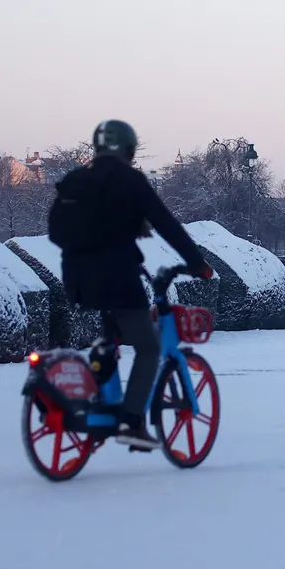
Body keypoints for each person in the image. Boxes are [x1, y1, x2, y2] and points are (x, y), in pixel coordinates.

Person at [48, 119, 213, 450]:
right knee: (149, 348)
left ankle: (103, 396)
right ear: (129, 149)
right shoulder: (130, 180)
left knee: (110, 339)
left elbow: (55, 231)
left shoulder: (76, 180)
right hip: (118, 277)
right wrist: (197, 263)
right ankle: (131, 421)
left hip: (77, 279)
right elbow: (166, 224)